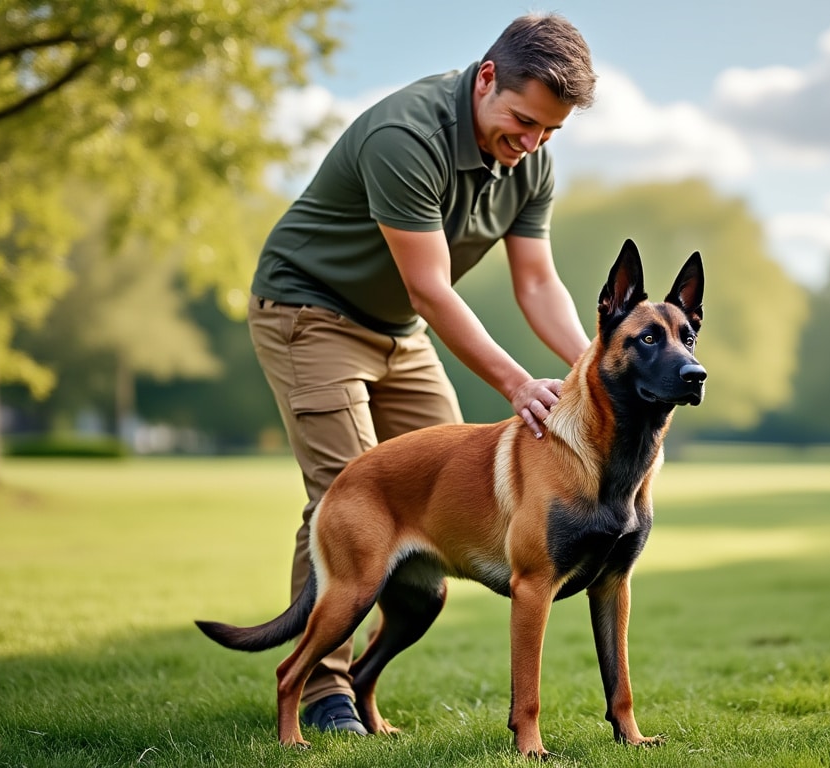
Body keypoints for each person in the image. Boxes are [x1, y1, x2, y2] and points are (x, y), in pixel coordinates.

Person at [246, 14, 597, 734]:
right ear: (488, 76)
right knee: (350, 489)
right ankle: (323, 694)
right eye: (524, 121)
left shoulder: (532, 161)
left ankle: (368, 675)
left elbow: (536, 284)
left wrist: (596, 370)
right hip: (308, 312)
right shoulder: (407, 136)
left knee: (443, 488)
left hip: (398, 334)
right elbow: (431, 288)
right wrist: (514, 383)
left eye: (550, 134)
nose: (531, 144)